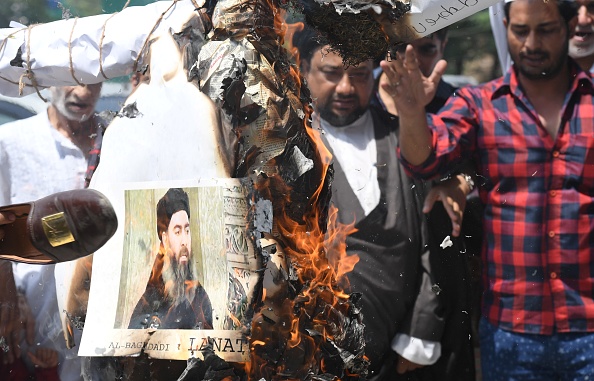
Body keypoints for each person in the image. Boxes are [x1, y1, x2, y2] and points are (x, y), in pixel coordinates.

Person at [386, 0, 594, 378]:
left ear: (567, 27)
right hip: (511, 333)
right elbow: (424, 159)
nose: (531, 43)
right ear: (505, 26)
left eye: (545, 30)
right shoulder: (479, 106)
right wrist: (413, 113)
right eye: (520, 31)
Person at [293, 26, 475, 380]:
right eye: (331, 73)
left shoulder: (406, 139)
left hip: (398, 357)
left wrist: (419, 335)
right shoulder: (284, 145)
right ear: (303, 69)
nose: (346, 88)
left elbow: (435, 249)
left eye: (359, 75)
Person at [0, 83, 103, 381]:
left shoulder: (117, 141)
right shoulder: (12, 143)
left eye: (91, 80)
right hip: (32, 339)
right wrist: (7, 293)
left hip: (98, 342)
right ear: (49, 75)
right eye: (72, 77)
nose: (83, 92)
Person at [128, 188, 213, 330]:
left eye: (187, 230)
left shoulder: (200, 297)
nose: (184, 241)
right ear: (165, 239)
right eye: (178, 231)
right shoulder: (151, 300)